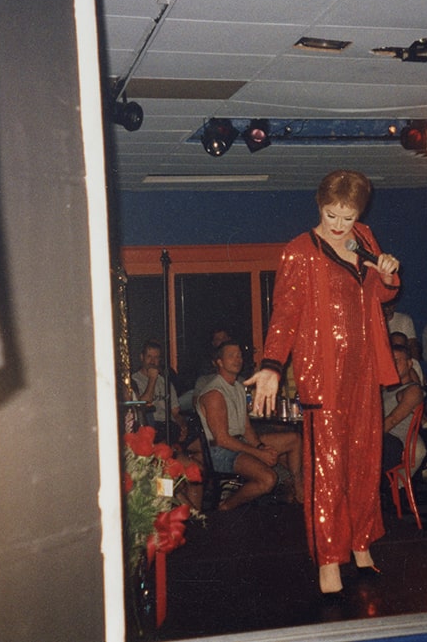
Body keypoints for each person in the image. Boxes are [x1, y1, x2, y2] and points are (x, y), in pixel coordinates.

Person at [245, 170, 401, 595]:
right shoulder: (300, 251)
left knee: (366, 463)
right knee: (328, 471)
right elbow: (285, 314)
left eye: (347, 217)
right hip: (325, 374)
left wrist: (386, 274)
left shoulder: (365, 239)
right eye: (332, 214)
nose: (338, 224)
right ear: (319, 205)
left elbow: (381, 295)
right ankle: (330, 560)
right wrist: (272, 366)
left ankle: (362, 545)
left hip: (365, 369)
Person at [198, 341, 302, 511]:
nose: (237, 359)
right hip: (220, 452)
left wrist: (261, 446)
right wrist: (259, 453)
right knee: (268, 479)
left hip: (239, 443)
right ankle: (226, 507)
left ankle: (299, 490)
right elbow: (222, 439)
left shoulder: (238, 387)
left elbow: (246, 429)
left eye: (239, 355)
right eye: (231, 356)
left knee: (294, 439)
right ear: (219, 362)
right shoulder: (214, 393)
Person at [382, 345, 426, 477]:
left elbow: (392, 420)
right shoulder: (385, 389)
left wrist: (367, 436)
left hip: (392, 442)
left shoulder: (412, 390)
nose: (393, 365)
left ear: (409, 363)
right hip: (383, 439)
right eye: (390, 361)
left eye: (397, 361)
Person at [131, 340, 184, 440]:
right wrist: (152, 379)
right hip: (152, 425)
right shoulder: (134, 381)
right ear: (142, 357)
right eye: (149, 357)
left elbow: (175, 412)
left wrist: (183, 425)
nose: (152, 361)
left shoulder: (165, 381)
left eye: (156, 358)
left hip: (170, 424)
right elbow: (143, 405)